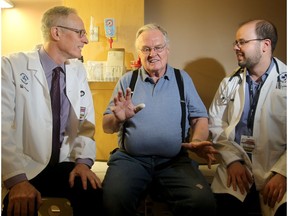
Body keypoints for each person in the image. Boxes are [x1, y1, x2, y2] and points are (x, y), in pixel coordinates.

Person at [102, 23, 217, 216]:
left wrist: (196, 141)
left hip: (174, 161)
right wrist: (117, 118)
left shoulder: (182, 79)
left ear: (167, 50)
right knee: (113, 202)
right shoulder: (127, 80)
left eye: (158, 48)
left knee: (202, 202)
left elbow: (199, 118)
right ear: (139, 53)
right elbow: (107, 127)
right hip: (131, 160)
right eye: (145, 49)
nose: (152, 54)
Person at [1, 6, 103, 216]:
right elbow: (1, 127)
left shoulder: (77, 71)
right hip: (25, 167)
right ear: (56, 33)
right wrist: (16, 180)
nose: (86, 40)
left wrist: (83, 163)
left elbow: (85, 124)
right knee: (19, 206)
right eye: (80, 33)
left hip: (65, 164)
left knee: (94, 193)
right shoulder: (10, 66)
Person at [209, 19, 286, 216]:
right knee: (223, 207)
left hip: (276, 170)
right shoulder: (229, 83)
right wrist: (233, 161)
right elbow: (215, 124)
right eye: (236, 42)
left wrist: (283, 173)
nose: (236, 47)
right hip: (236, 170)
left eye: (242, 42)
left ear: (265, 45)